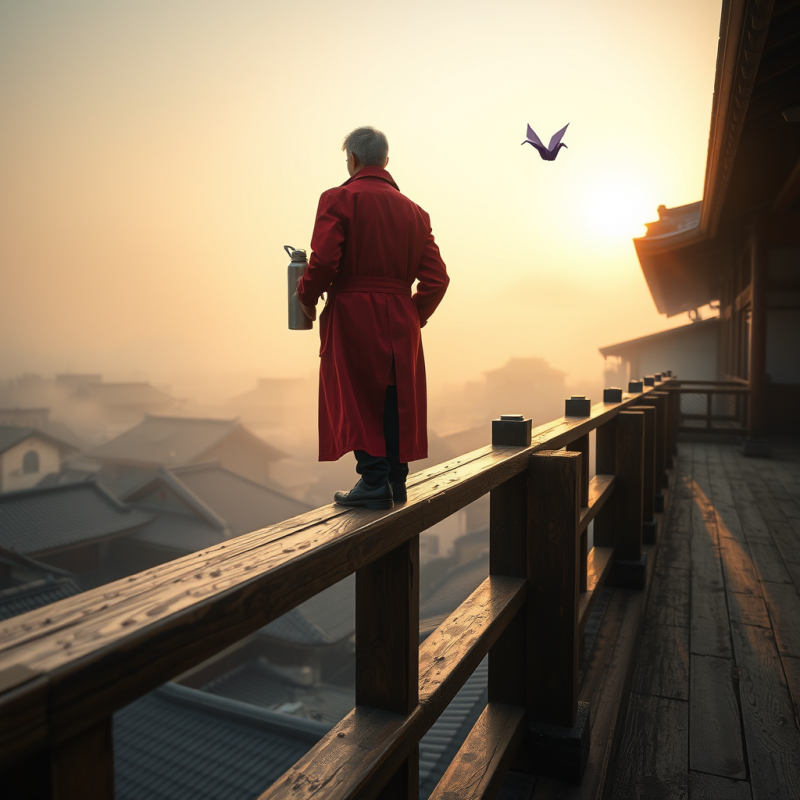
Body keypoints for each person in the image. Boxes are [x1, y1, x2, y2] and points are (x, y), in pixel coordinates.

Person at [297, 126, 449, 510]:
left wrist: (306, 296)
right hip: (400, 311)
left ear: (352, 160)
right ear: (385, 161)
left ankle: (373, 480)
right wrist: (415, 315)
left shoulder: (339, 198)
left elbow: (325, 259)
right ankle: (396, 480)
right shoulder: (416, 212)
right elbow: (437, 278)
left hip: (353, 308)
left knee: (357, 393)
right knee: (395, 395)